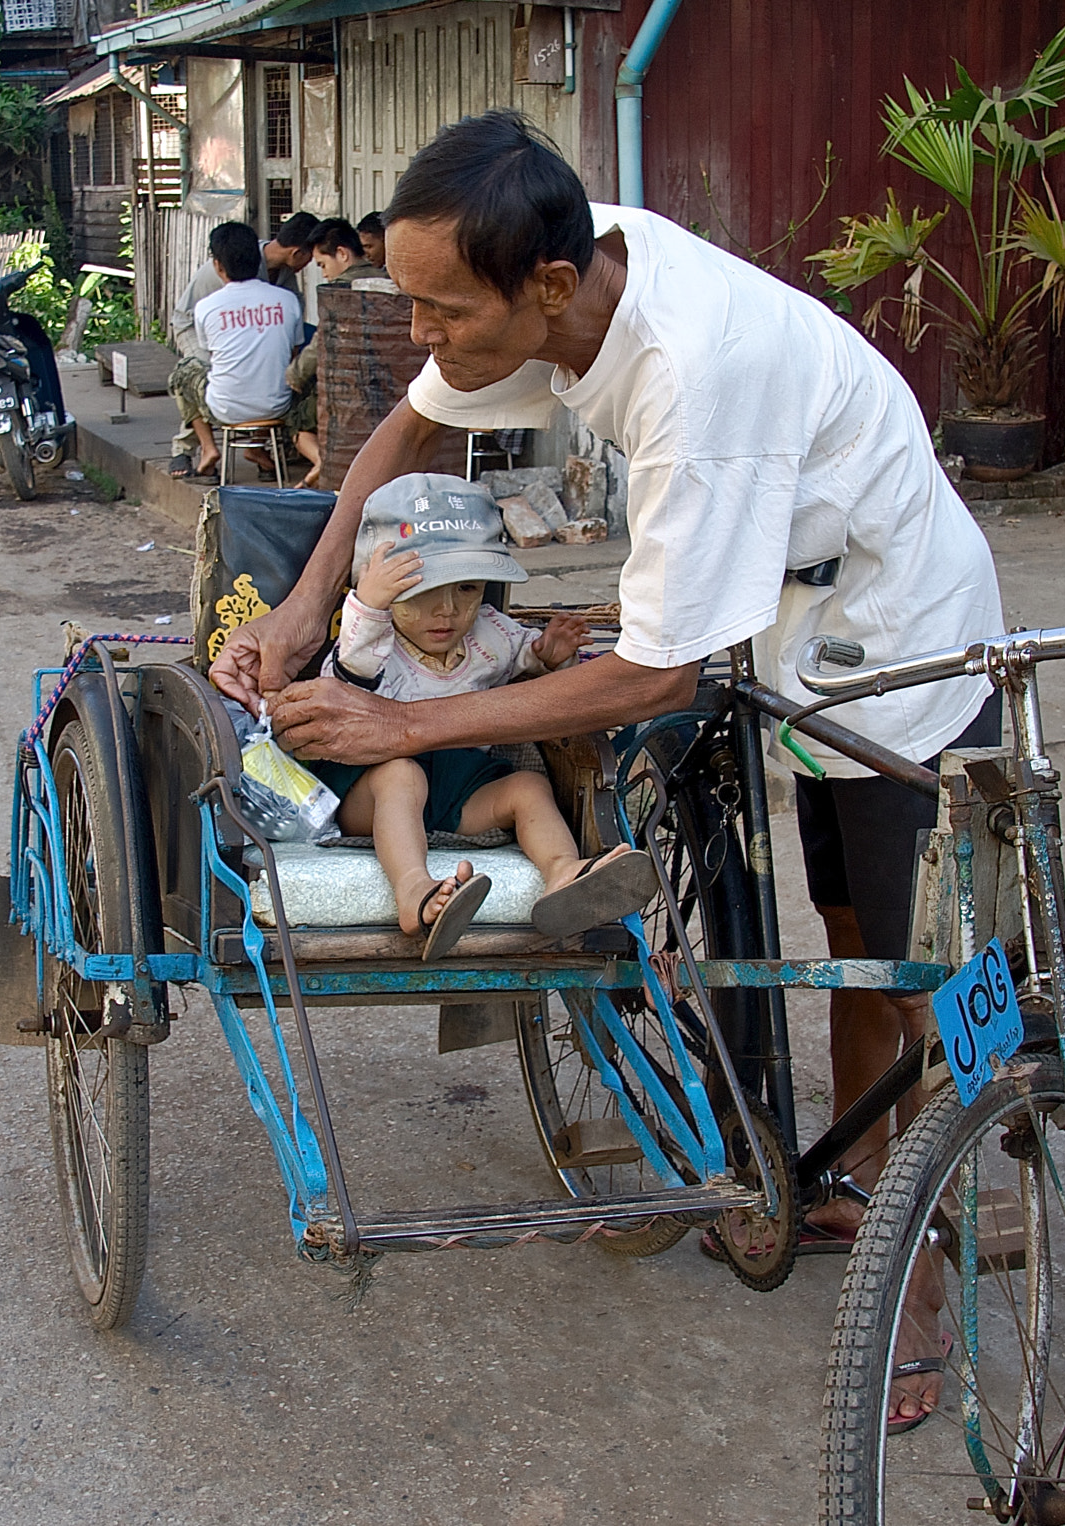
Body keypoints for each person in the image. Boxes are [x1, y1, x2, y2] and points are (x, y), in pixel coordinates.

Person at [210, 111, 1001, 1431]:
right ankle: (847, 1183)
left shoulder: (694, 374)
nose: (422, 336)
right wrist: (304, 604)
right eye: (406, 301)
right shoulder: (546, 289)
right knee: (851, 922)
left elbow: (655, 676)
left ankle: (923, 1264)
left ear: (551, 290)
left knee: (915, 959)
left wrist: (401, 730)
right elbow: (401, 436)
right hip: (789, 618)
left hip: (903, 631)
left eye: (439, 310)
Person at [319, 473, 654, 959]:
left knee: (527, 787)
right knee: (401, 774)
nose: (447, 611)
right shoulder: (373, 642)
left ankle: (563, 873)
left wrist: (549, 653)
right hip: (369, 792)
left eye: (468, 589)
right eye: (419, 593)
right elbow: (351, 666)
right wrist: (369, 603)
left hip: (460, 790)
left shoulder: (489, 632)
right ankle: (414, 890)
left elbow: (524, 657)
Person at [168, 211, 319, 478]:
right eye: (312, 256)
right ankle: (188, 447)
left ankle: (255, 446)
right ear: (297, 253)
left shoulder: (282, 275)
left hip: (224, 337)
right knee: (199, 367)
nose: (315, 262)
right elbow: (216, 353)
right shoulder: (228, 272)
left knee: (192, 377)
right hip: (192, 324)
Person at [281, 219, 391, 487]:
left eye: (322, 264)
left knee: (295, 417)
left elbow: (321, 343)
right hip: (391, 385)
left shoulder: (340, 292)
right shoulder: (389, 279)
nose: (324, 274)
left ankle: (323, 462)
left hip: (349, 388)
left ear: (342, 254)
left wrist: (293, 376)